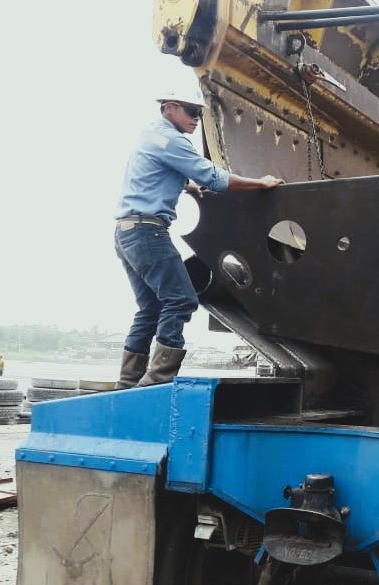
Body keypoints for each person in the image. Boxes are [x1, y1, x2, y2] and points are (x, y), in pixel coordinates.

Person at [114, 88, 284, 388]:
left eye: (200, 113)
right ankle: (156, 383)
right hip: (148, 232)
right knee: (180, 300)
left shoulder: (151, 135)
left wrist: (188, 187)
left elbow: (154, 174)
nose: (197, 118)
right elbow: (214, 178)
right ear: (169, 108)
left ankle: (127, 384)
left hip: (127, 233)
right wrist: (261, 182)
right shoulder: (172, 140)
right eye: (192, 111)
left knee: (151, 308)